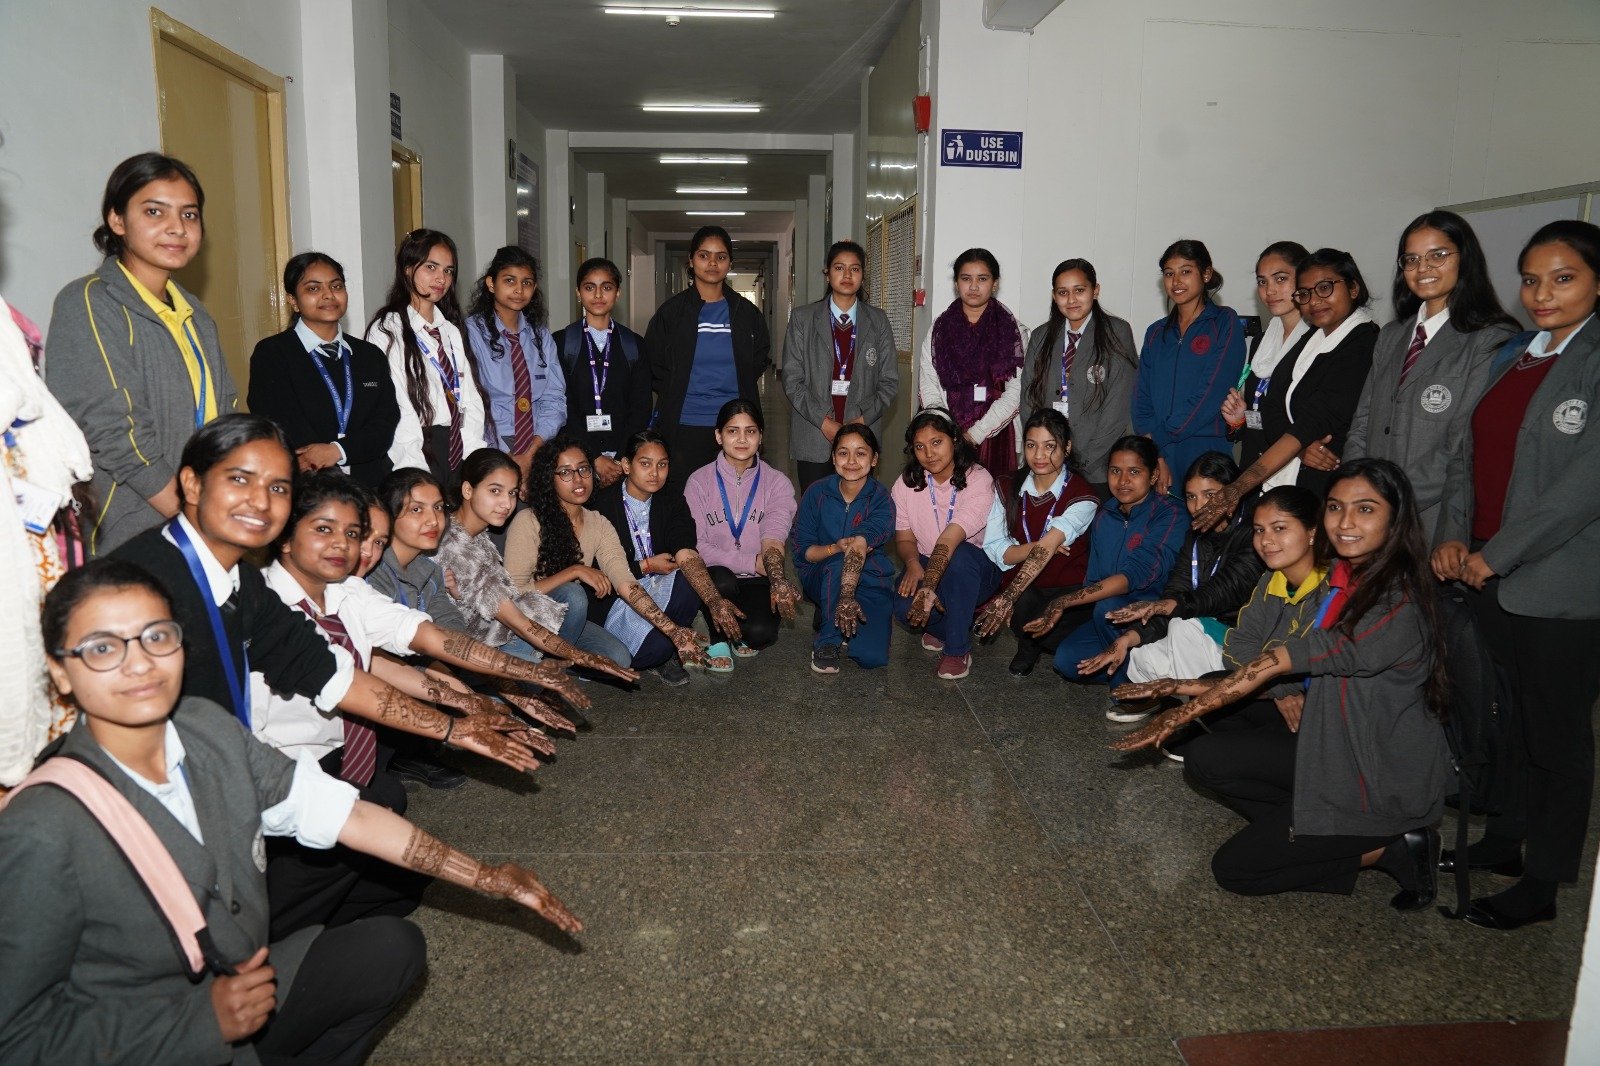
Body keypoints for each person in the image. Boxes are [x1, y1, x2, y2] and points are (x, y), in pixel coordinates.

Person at [0, 559, 580, 1064]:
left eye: (157, 636)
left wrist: (487, 878)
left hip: (238, 974)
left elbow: (347, 815)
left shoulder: (206, 731)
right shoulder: (41, 825)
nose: (139, 664)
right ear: (59, 671)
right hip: (145, 1035)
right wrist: (201, 1024)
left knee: (390, 950)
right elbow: (17, 1039)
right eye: (103, 647)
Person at [108, 416, 559, 778]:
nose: (260, 501)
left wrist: (472, 708)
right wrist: (466, 712)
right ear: (191, 484)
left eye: (277, 488)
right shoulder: (139, 583)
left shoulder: (254, 586)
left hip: (265, 774)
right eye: (240, 480)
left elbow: (365, 663)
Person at [253, 470, 581, 937]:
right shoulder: (262, 610)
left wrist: (520, 679)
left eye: (354, 533)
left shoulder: (347, 591)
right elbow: (357, 687)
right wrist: (456, 724)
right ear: (285, 538)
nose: (344, 545)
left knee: (401, 887)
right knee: (359, 842)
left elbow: (429, 637)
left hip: (338, 754)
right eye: (324, 529)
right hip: (276, 777)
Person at [1114, 459, 1449, 910]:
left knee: (1235, 870)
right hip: (1329, 743)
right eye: (1336, 507)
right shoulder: (1348, 577)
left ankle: (1388, 848)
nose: (1346, 522)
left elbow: (1283, 659)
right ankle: (1306, 829)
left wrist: (1181, 704)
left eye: (1365, 509)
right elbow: (1252, 654)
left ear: (1396, 518)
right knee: (1205, 757)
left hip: (1371, 777)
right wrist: (1177, 689)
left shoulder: (1392, 601)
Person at [1431, 219, 1600, 931]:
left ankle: (1545, 880)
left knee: (1558, 737)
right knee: (1511, 720)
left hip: (1560, 586)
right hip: (1487, 572)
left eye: (1563, 278)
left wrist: (1496, 554)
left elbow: (1580, 491)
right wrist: (1453, 535)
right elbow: (1465, 455)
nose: (1541, 293)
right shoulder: (1516, 354)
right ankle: (1506, 839)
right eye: (1531, 279)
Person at [46, 152, 236, 554]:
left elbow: (223, 417)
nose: (177, 227)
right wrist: (192, 521)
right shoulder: (89, 301)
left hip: (198, 519)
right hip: (128, 533)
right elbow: (114, 431)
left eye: (189, 215)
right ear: (117, 221)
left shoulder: (196, 314)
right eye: (154, 211)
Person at [1318, 211, 1518, 540]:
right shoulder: (1392, 335)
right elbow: (1363, 422)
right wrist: (1356, 494)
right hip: (1366, 518)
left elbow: (1462, 444)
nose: (1423, 268)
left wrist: (1388, 503)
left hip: (1430, 518)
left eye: (1437, 255)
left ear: (1465, 258)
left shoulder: (1491, 339)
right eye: (1411, 259)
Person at [1192, 248, 1379, 531]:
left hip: (1326, 479)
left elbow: (1313, 420)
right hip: (1273, 469)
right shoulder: (1309, 340)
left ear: (1353, 288)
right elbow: (1272, 407)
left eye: (1325, 288)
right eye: (1306, 293)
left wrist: (1238, 487)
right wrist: (1296, 443)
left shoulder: (1363, 343)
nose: (1314, 300)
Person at [1080, 452, 1264, 721]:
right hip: (1198, 630)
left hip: (1237, 641)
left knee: (1182, 627)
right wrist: (1126, 640)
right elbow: (1175, 593)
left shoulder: (1253, 534)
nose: (1199, 506)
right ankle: (1167, 699)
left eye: (1210, 495)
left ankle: (1197, 717)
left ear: (1232, 494)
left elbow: (1221, 592)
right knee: (1141, 656)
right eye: (1191, 497)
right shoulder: (1195, 536)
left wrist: (1163, 606)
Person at [504, 438, 706, 681]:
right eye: (566, 472)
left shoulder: (598, 523)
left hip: (569, 622)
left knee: (620, 659)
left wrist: (674, 632)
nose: (578, 479)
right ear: (549, 478)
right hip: (526, 620)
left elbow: (625, 582)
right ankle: (537, 667)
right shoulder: (528, 521)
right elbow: (512, 594)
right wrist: (573, 571)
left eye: (583, 469)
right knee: (573, 594)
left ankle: (561, 662)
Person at [434, 449, 641, 680]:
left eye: (512, 493)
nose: (507, 503)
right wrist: (578, 656)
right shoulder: (454, 542)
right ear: (467, 490)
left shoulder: (476, 535)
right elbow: (517, 619)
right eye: (495, 491)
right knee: (569, 598)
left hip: (509, 628)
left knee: (617, 657)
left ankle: (540, 673)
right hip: (472, 651)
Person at [1021, 435, 1185, 697]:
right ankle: (1139, 665)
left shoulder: (1171, 513)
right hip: (1111, 614)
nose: (1123, 481)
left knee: (1107, 607)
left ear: (1154, 475)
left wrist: (1064, 602)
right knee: (1066, 660)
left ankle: (1130, 691)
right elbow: (1094, 580)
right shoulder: (1104, 516)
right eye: (1115, 471)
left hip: (1156, 613)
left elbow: (1134, 575)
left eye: (1134, 472)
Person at [588, 429, 743, 684]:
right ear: (626, 465)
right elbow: (596, 576)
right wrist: (645, 566)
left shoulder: (671, 499)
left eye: (662, 465)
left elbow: (686, 551)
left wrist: (714, 600)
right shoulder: (601, 505)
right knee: (655, 650)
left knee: (691, 577)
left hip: (661, 587)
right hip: (617, 598)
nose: (655, 473)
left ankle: (671, 647)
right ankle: (654, 651)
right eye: (645, 464)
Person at [247, 252, 401, 490]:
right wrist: (326, 468)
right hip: (309, 488)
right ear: (293, 300)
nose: (328, 295)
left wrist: (337, 451)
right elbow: (279, 423)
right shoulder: (273, 353)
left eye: (336, 286)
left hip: (370, 487)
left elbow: (384, 424)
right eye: (313, 288)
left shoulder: (369, 356)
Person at [974, 409, 1099, 677]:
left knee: (1058, 637)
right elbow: (998, 550)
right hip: (1027, 588)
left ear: (1067, 447)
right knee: (1026, 612)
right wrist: (1037, 548)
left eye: (1049, 446)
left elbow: (1049, 542)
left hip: (1067, 585)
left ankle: (1049, 641)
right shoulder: (1006, 486)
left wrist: (1007, 597)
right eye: (1031, 445)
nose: (1039, 455)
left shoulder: (1082, 495)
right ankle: (1028, 645)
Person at [684, 399, 800, 671]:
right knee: (721, 579)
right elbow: (695, 546)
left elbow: (774, 536)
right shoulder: (698, 482)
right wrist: (749, 561)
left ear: (761, 437)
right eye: (732, 431)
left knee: (761, 634)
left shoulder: (777, 482)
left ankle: (738, 634)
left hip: (757, 578)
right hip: (715, 576)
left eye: (750, 431)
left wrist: (776, 578)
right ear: (718, 436)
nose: (742, 439)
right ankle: (718, 641)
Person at [648, 226, 771, 481]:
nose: (712, 263)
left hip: (735, 425)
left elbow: (758, 358)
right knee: (684, 496)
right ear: (691, 261)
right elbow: (654, 363)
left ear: (729, 263)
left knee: (734, 495)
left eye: (721, 257)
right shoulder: (671, 313)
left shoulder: (746, 313)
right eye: (704, 256)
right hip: (685, 422)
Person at [366, 229, 486, 488]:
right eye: (431, 267)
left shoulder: (450, 330)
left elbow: (470, 398)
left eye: (448, 270)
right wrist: (415, 471)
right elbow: (397, 406)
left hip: (456, 447)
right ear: (408, 268)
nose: (441, 278)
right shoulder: (388, 329)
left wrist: (474, 457)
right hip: (415, 447)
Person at [892, 407, 1001, 680]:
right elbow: (904, 537)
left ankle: (957, 649)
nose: (929, 453)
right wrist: (913, 563)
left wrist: (928, 585)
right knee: (904, 610)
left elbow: (950, 539)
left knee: (959, 557)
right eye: (920, 446)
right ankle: (948, 625)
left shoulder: (978, 479)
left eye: (936, 442)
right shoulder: (906, 483)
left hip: (974, 568)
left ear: (954, 439)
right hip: (926, 560)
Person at [782, 240, 899, 492]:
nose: (847, 275)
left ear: (863, 276)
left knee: (858, 507)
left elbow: (889, 382)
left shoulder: (878, 321)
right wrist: (824, 423)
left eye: (854, 269)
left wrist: (861, 421)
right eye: (839, 268)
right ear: (827, 273)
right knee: (817, 505)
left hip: (862, 436)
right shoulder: (803, 319)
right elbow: (792, 381)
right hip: (814, 434)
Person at [1131, 239, 1246, 496]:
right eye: (1168, 274)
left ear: (1206, 274)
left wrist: (1160, 437)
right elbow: (1141, 396)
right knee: (1165, 519)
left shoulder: (1224, 321)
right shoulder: (1156, 332)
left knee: (1207, 518)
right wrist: (1155, 453)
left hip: (1206, 448)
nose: (1176, 281)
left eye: (1186, 271)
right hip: (1160, 451)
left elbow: (1212, 391)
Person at [1019, 259, 1138, 493]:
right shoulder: (1041, 336)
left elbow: (1118, 408)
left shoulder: (1117, 332)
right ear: (1054, 296)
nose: (1071, 299)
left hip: (1097, 467)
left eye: (1079, 290)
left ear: (1096, 290)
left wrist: (1081, 462)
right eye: (1063, 292)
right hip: (1047, 466)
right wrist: (1044, 452)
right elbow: (1028, 399)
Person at [793, 422, 896, 673]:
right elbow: (802, 551)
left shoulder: (882, 499)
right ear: (833, 458)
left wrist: (848, 596)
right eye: (843, 453)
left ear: (874, 459)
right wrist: (833, 549)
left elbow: (860, 543)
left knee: (872, 658)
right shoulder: (816, 492)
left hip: (869, 579)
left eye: (860, 453)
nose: (851, 461)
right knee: (838, 563)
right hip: (822, 573)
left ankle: (836, 611)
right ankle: (827, 641)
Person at [918, 248, 1026, 480]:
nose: (974, 287)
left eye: (982, 279)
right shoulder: (939, 328)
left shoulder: (1013, 330)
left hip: (996, 434)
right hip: (947, 436)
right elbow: (928, 383)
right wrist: (947, 431)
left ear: (995, 284)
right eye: (966, 279)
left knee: (994, 497)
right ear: (956, 284)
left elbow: (1016, 392)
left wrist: (974, 434)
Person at [464, 246, 566, 484]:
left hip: (538, 445)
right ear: (491, 284)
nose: (519, 290)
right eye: (509, 281)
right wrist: (501, 458)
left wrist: (532, 453)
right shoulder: (470, 334)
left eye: (527, 283)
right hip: (489, 448)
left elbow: (554, 399)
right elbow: (471, 404)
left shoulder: (541, 336)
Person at [556, 258, 653, 488]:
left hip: (622, 458)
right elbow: (562, 404)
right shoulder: (561, 343)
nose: (598, 295)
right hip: (575, 458)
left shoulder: (634, 345)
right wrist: (594, 457)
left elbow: (641, 406)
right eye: (589, 287)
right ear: (578, 292)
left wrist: (621, 457)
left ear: (618, 293)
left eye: (607, 287)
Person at [1222, 241, 1311, 479]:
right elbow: (1258, 413)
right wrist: (1239, 420)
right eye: (1262, 282)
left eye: (1280, 279)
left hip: (1296, 470)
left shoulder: (1318, 341)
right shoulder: (1261, 342)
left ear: (1305, 279)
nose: (1269, 290)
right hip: (1254, 465)